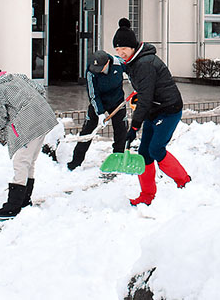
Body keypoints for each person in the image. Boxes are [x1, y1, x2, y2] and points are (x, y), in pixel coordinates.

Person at [112, 18, 190, 206]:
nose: (120, 53)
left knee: (156, 149)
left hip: (168, 110)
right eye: (117, 50)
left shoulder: (144, 63)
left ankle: (184, 182)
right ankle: (147, 195)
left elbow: (145, 99)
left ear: (132, 47)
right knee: (144, 153)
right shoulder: (133, 60)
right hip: (154, 109)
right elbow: (145, 92)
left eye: (123, 48)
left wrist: (134, 127)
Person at [0, 63, 57, 219]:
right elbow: (40, 89)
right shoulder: (14, 77)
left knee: (21, 162)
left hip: (29, 124)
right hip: (44, 118)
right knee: (29, 162)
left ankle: (13, 207)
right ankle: (24, 201)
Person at [67, 50, 127, 171]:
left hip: (117, 102)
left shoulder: (118, 63)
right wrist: (100, 113)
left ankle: (118, 157)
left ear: (107, 63)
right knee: (88, 130)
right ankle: (76, 162)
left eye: (100, 67)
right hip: (99, 102)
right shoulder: (91, 71)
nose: (97, 70)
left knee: (121, 130)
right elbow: (93, 94)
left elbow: (133, 71)